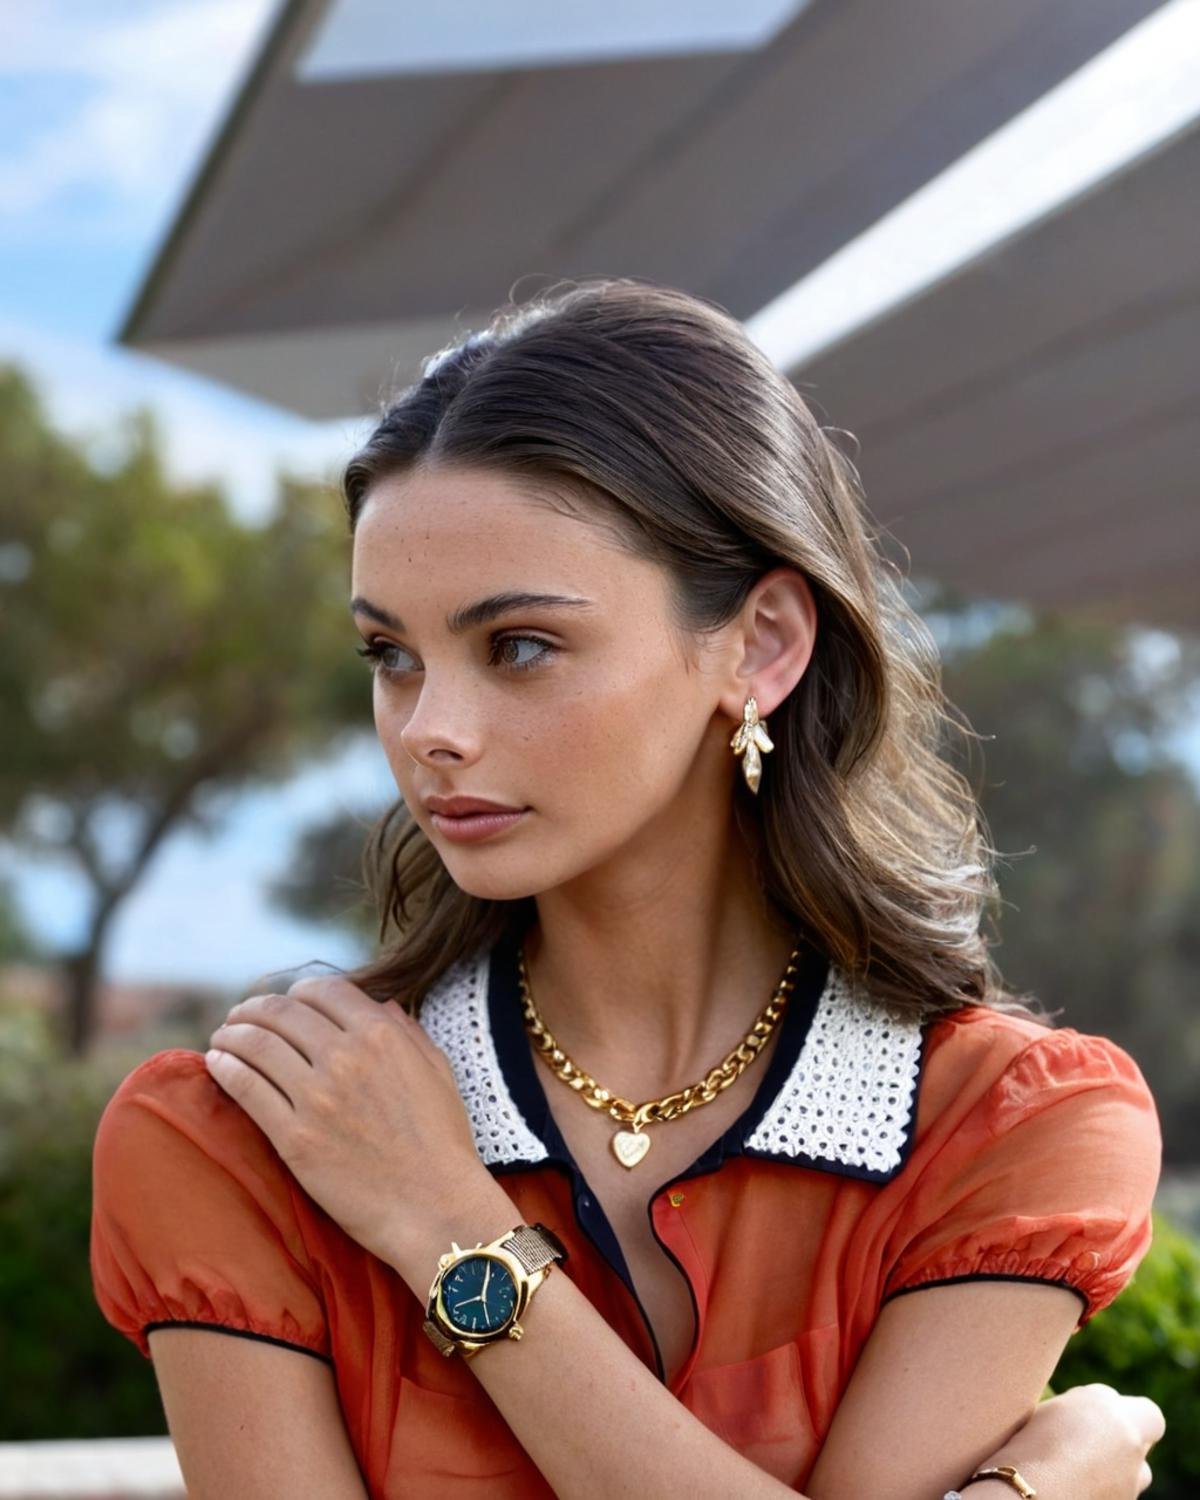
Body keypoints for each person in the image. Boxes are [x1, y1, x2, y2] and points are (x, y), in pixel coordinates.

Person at [90, 278, 1165, 1500]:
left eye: (522, 647)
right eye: (391, 655)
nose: (430, 729)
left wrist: (450, 1231)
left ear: (760, 644)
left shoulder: (1009, 1129)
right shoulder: (237, 1140)